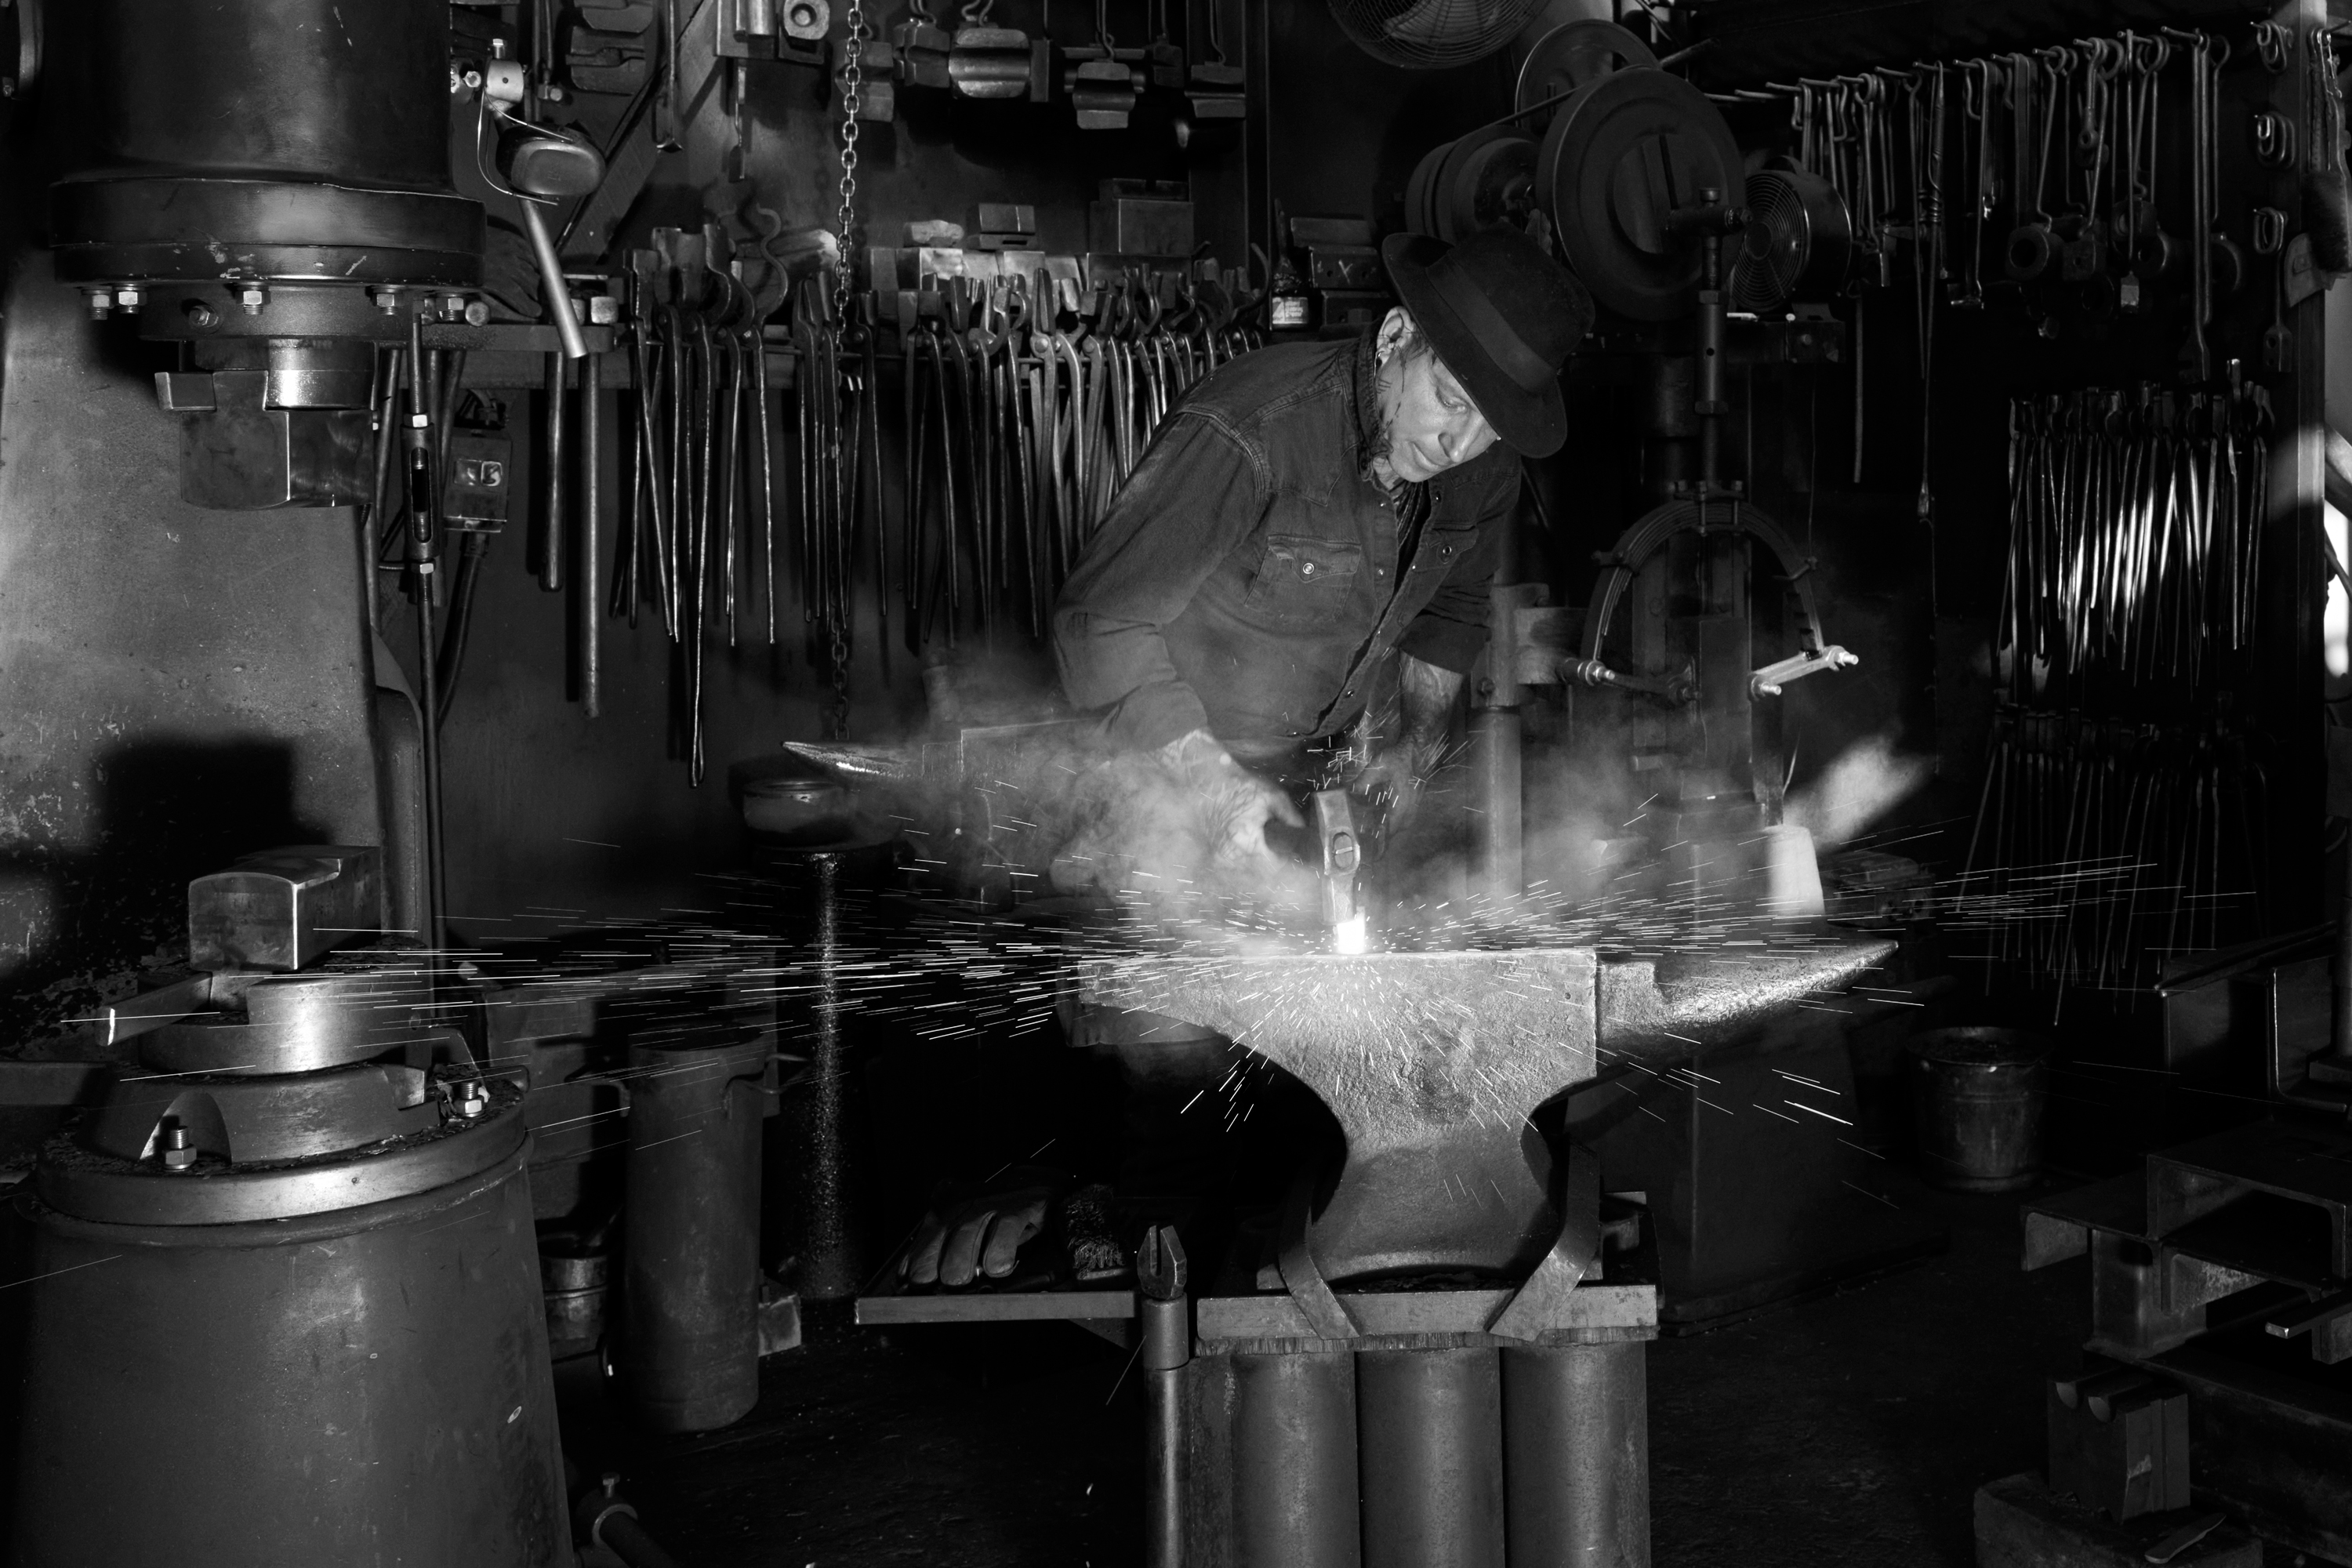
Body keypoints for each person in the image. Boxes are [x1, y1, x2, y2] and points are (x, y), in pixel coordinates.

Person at [1051, 227, 1594, 891]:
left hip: (1308, 785)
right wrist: (1217, 789)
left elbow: (1449, 612)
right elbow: (1098, 623)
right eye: (1451, 401)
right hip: (1165, 770)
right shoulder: (1252, 431)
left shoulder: (1485, 470)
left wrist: (1410, 752)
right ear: (1396, 337)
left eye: (1491, 428)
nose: (1460, 444)